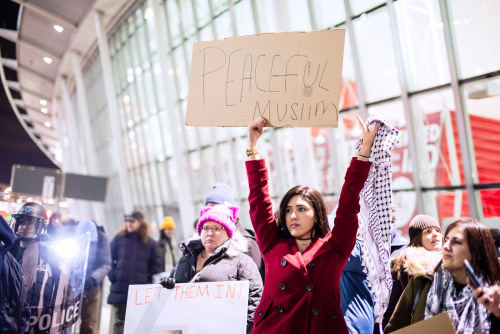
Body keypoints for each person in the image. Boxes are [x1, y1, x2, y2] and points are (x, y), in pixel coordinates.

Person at [245, 115, 379, 333]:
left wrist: (364, 152)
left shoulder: (335, 248)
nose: (292, 216)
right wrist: (252, 148)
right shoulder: (272, 245)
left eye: (301, 209)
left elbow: (349, 202)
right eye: (288, 210)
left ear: (317, 215)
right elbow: (258, 202)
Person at [385, 218, 500, 334]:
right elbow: (394, 329)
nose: (446, 247)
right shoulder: (421, 282)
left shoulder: (494, 291)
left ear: (478, 251)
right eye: (447, 240)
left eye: (457, 242)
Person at [163, 204, 263, 333]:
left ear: (228, 232)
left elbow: (255, 300)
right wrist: (167, 286)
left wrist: (238, 328)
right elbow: (173, 290)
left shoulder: (241, 261)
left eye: (217, 228)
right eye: (206, 228)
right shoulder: (186, 258)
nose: (210, 233)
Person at [382, 214, 443, 329]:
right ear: (417, 238)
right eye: (427, 231)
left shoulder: (449, 259)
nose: (435, 234)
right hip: (415, 326)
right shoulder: (407, 263)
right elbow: (393, 306)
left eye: (437, 230)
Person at [107, 211, 162, 334]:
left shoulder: (150, 244)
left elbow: (155, 269)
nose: (129, 224)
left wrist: (148, 287)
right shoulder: (119, 239)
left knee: (137, 324)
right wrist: (113, 276)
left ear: (140, 223)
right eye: (127, 221)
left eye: (132, 221)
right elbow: (108, 258)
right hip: (120, 289)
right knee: (120, 322)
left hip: (139, 292)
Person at [204, 182, 265, 280]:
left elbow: (257, 281)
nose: (211, 214)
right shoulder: (208, 242)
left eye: (216, 208)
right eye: (207, 210)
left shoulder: (246, 242)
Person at [75, 219, 111, 334]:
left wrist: (94, 278)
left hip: (91, 285)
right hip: (72, 283)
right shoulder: (73, 233)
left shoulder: (101, 238)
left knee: (89, 322)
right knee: (64, 319)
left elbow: (106, 263)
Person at [1, 214, 29, 333]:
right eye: (22, 222)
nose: (25, 227)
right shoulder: (10, 252)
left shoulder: (8, 260)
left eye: (29, 223)